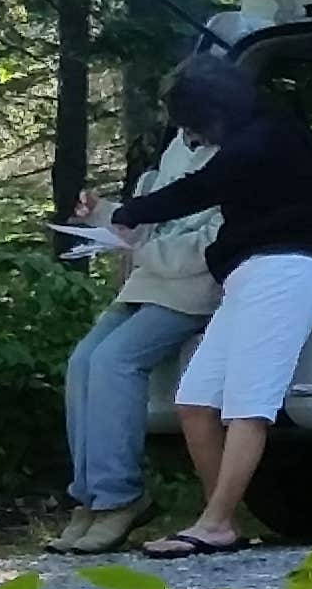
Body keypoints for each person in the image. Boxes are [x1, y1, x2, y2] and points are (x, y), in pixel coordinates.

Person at [105, 53, 312, 559]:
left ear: (213, 111)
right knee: (195, 401)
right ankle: (222, 519)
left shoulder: (261, 139)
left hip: (287, 269)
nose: (191, 137)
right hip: (252, 272)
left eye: (192, 125)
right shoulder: (260, 132)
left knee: (248, 405)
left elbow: (201, 188)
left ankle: (214, 523)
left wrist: (130, 213)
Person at [49, 137, 220, 552]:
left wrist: (141, 247)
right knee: (83, 361)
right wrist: (104, 214)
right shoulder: (177, 148)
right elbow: (148, 218)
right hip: (147, 283)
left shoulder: (236, 154)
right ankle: (88, 499)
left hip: (193, 289)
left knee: (114, 361)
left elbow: (208, 247)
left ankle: (119, 499)